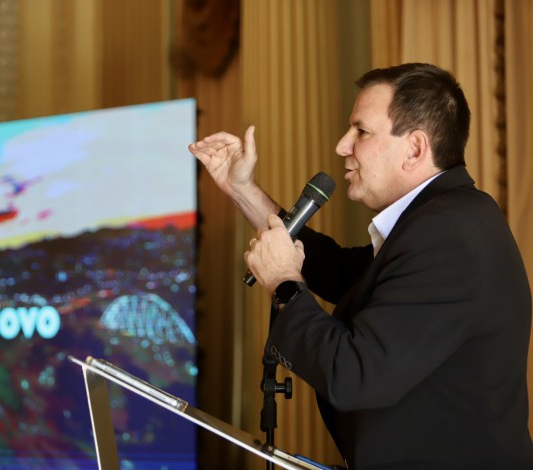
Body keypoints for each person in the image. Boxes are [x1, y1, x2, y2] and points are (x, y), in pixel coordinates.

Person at [189, 63, 533, 469]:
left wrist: (283, 282)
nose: (342, 146)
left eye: (361, 131)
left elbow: (354, 376)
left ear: (415, 149)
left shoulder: (449, 234)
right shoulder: (443, 218)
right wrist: (242, 189)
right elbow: (336, 271)